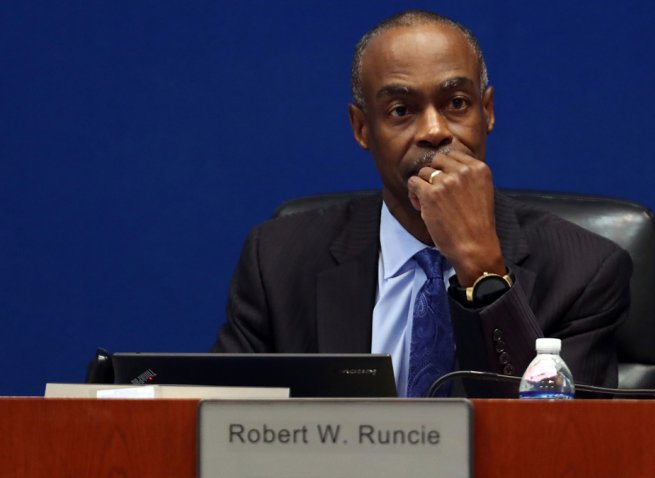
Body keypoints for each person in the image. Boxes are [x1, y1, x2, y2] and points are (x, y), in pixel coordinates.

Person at [212, 10, 632, 397]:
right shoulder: (279, 260)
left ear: (486, 111)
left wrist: (481, 268)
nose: (434, 131)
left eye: (456, 104)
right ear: (362, 128)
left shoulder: (583, 272)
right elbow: (221, 423)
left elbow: (563, 445)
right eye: (401, 110)